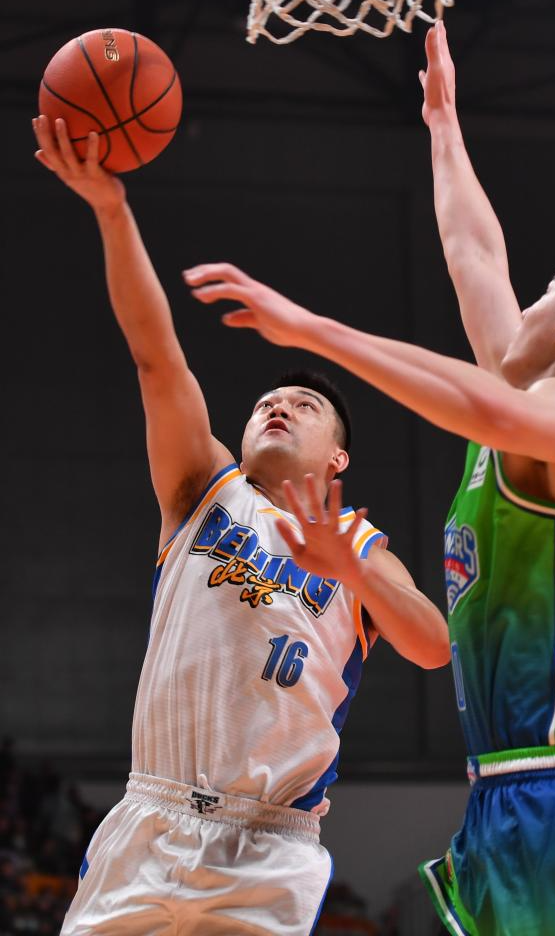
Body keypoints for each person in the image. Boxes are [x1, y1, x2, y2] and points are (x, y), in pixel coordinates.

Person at [182, 20, 555, 935]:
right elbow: (473, 255)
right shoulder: (527, 410)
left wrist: (311, 329)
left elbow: (475, 404)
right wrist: (443, 127)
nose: (520, 302)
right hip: (517, 794)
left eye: (544, 293)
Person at [32, 114, 450, 936]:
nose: (278, 406)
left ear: (338, 458)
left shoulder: (359, 547)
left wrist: (351, 569)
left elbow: (434, 647)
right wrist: (112, 211)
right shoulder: (203, 488)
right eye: (267, 401)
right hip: (149, 818)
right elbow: (156, 356)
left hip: (269, 843)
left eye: (305, 405)